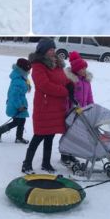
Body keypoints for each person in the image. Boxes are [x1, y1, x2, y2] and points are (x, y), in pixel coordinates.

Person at [22, 39, 72, 174]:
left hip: (56, 108)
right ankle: (26, 164)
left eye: (53, 49)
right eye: (50, 49)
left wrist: (70, 84)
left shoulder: (56, 64)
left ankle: (46, 163)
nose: (53, 51)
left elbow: (63, 79)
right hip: (45, 107)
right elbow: (44, 85)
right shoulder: (38, 65)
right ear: (43, 50)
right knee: (39, 135)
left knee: (50, 136)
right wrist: (64, 91)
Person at [61, 51, 94, 167]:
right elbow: (67, 97)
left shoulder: (86, 81)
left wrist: (91, 107)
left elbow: (89, 96)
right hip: (72, 112)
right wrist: (68, 110)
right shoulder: (72, 81)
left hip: (82, 112)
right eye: (82, 69)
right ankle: (64, 155)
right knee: (68, 134)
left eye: (85, 68)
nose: (84, 70)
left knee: (75, 135)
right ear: (76, 70)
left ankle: (71, 154)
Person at [0, 58, 32, 144]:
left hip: (19, 103)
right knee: (17, 121)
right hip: (16, 105)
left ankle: (18, 137)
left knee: (21, 121)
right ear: (23, 69)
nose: (29, 72)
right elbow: (14, 95)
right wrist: (19, 106)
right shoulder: (18, 81)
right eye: (28, 70)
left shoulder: (21, 77)